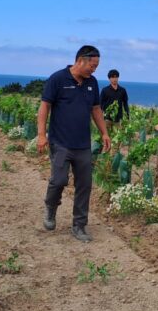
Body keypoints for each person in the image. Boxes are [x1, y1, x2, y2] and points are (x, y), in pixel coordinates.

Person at [37, 45, 112, 242]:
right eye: (92, 65)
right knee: (59, 180)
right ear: (80, 60)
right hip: (60, 142)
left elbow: (96, 109)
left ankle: (79, 225)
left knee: (84, 185)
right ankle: (51, 208)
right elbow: (45, 106)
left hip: (82, 144)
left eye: (96, 66)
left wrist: (104, 133)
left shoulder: (92, 83)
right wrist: (41, 135)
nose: (94, 69)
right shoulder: (58, 79)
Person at [99, 68, 130, 133]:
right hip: (107, 118)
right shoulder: (105, 90)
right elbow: (100, 104)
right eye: (112, 77)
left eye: (116, 77)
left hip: (118, 119)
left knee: (118, 137)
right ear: (109, 79)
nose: (115, 79)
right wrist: (100, 116)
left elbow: (125, 104)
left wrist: (127, 115)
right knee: (106, 136)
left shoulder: (122, 90)